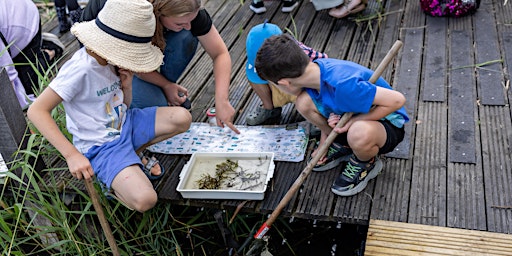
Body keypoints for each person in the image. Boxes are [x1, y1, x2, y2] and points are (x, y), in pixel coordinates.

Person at [27, 0, 192, 212]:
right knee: (145, 200)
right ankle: (112, 184)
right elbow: (36, 110)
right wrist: (72, 155)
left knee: (182, 118)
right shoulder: (81, 69)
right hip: (101, 144)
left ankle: (133, 155)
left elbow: (122, 106)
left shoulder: (113, 62)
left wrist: (127, 87)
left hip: (124, 123)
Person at [255, 34, 408, 197]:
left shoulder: (343, 84)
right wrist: (324, 144)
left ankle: (366, 162)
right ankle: (342, 143)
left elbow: (397, 101)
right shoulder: (313, 75)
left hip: (386, 125)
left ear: (284, 83)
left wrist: (356, 120)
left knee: (359, 132)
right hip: (352, 118)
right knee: (303, 103)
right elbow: (328, 106)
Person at [81, 0, 240, 134]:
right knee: (158, 111)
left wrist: (222, 100)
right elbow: (128, 61)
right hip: (108, 52)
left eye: (192, 20)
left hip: (136, 50)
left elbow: (220, 54)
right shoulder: (135, 12)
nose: (189, 26)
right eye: (180, 22)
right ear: (159, 12)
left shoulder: (188, 9)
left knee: (186, 36)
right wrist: (164, 85)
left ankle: (166, 90)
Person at [245, 21, 328, 126]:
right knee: (254, 76)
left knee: (304, 99)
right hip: (281, 82)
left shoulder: (299, 55)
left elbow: (323, 68)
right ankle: (269, 109)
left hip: (304, 88)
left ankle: (318, 119)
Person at [0, 0, 65, 109]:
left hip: (25, 20)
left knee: (26, 86)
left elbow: (7, 73)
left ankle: (50, 50)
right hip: (7, 27)